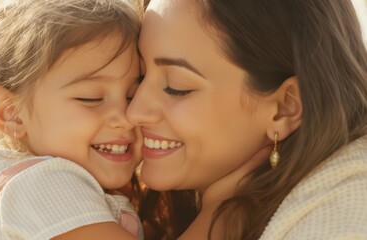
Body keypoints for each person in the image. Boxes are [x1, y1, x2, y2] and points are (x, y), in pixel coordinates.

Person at [128, 0, 367, 239]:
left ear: (284, 108)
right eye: (139, 76)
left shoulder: (342, 221)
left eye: (175, 87)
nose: (134, 111)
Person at [0, 0, 145, 239]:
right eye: (91, 98)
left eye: (133, 96)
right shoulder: (44, 182)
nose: (127, 117)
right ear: (10, 112)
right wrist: (200, 219)